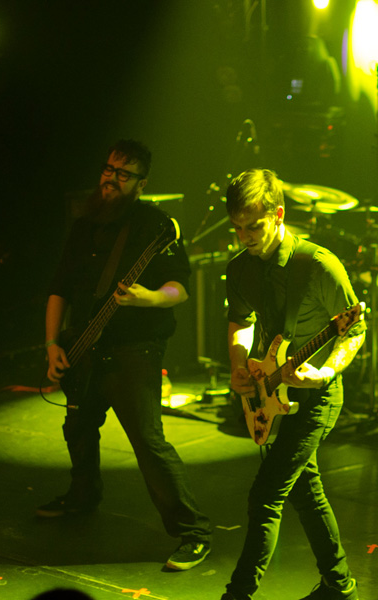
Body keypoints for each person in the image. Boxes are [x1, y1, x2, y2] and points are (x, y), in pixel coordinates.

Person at [37, 139, 212, 571]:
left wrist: (148, 298)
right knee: (78, 426)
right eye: (109, 169)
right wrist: (52, 344)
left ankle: (194, 533)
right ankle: (83, 496)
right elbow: (59, 287)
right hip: (84, 346)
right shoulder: (84, 225)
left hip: (135, 348)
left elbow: (180, 287)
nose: (111, 178)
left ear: (141, 183)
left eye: (123, 173)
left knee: (148, 443)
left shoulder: (155, 225)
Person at [220, 169, 366, 600]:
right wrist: (239, 364)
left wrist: (325, 371)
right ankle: (340, 586)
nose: (244, 236)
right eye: (237, 228)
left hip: (317, 396)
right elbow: (240, 321)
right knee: (306, 492)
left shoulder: (318, 265)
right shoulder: (239, 268)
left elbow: (355, 330)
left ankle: (237, 594)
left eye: (253, 226)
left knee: (265, 495)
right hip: (271, 389)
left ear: (279, 214)